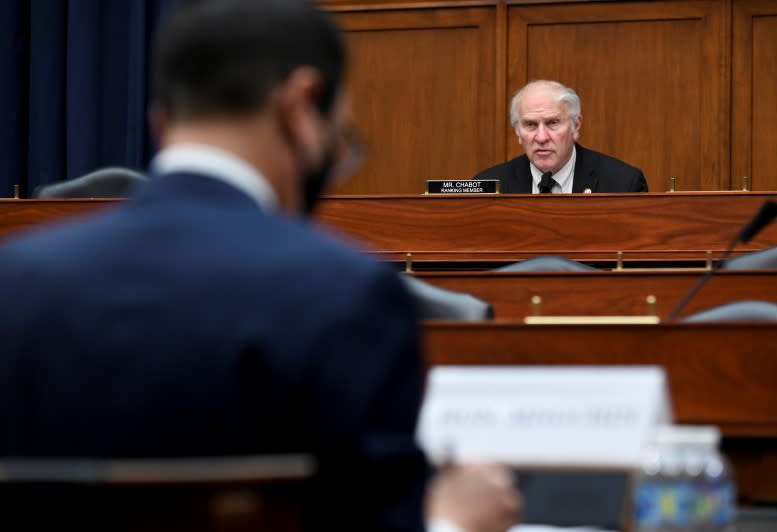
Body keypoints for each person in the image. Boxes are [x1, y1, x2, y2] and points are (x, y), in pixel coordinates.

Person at [0, 1, 519, 531]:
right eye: (339, 134)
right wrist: (452, 521)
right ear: (302, 105)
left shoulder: (14, 281)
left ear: (163, 121)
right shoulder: (346, 292)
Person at [473, 80, 648, 194]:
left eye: (552, 123)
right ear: (518, 132)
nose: (541, 137)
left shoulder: (623, 184)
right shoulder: (488, 186)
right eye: (530, 125)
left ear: (576, 125)